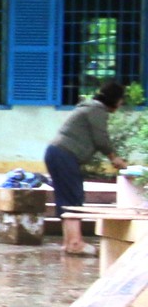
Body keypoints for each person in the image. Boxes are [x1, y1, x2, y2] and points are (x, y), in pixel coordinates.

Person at [45, 81, 130, 256]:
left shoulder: (89, 107)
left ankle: (70, 242)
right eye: (121, 100)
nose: (121, 105)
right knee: (73, 197)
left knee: (66, 197)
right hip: (64, 155)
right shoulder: (97, 110)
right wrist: (114, 158)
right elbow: (101, 138)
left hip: (56, 153)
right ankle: (75, 243)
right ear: (114, 99)